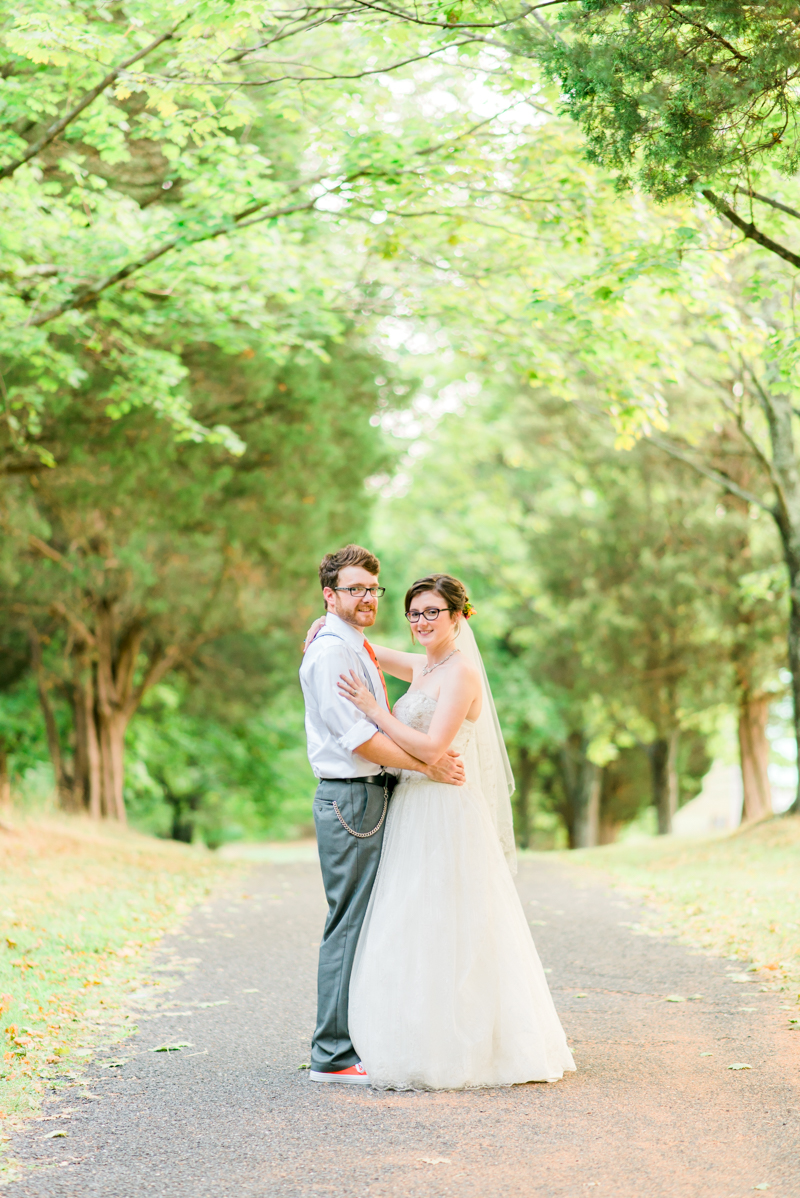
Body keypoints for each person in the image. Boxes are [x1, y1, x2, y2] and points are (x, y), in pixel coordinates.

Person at [332, 572, 576, 1090]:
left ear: (459, 616)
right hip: (413, 808)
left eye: (432, 613)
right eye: (414, 613)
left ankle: (472, 1047)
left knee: (456, 921)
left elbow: (434, 749)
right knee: (414, 919)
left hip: (446, 808)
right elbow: (368, 648)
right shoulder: (425, 666)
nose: (421, 622)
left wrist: (376, 712)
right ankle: (416, 1037)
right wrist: (325, 622)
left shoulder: (460, 672)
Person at [298, 546, 466, 1086]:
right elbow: (363, 741)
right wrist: (429, 764)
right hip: (351, 798)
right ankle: (332, 1054)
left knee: (376, 922)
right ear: (331, 595)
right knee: (348, 925)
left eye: (373, 589)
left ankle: (365, 1036)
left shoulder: (353, 645)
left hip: (376, 795)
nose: (367, 598)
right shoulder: (331, 654)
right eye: (354, 590)